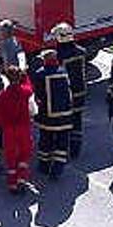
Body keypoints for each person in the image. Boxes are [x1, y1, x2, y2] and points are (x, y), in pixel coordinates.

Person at [29, 49, 73, 179]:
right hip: (64, 115)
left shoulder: (40, 74)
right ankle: (57, 169)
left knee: (46, 141)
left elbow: (37, 96)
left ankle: (44, 166)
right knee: (62, 143)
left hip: (47, 117)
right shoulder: (64, 72)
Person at [0, 65, 33, 193]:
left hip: (8, 130)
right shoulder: (25, 91)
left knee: (10, 156)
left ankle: (12, 183)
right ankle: (22, 178)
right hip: (24, 128)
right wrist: (24, 75)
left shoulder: (2, 95)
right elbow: (30, 87)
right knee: (25, 153)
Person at [52, 22, 88, 158]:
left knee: (64, 122)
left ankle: (62, 150)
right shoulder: (82, 52)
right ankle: (75, 150)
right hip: (80, 92)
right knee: (77, 121)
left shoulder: (59, 56)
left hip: (65, 95)